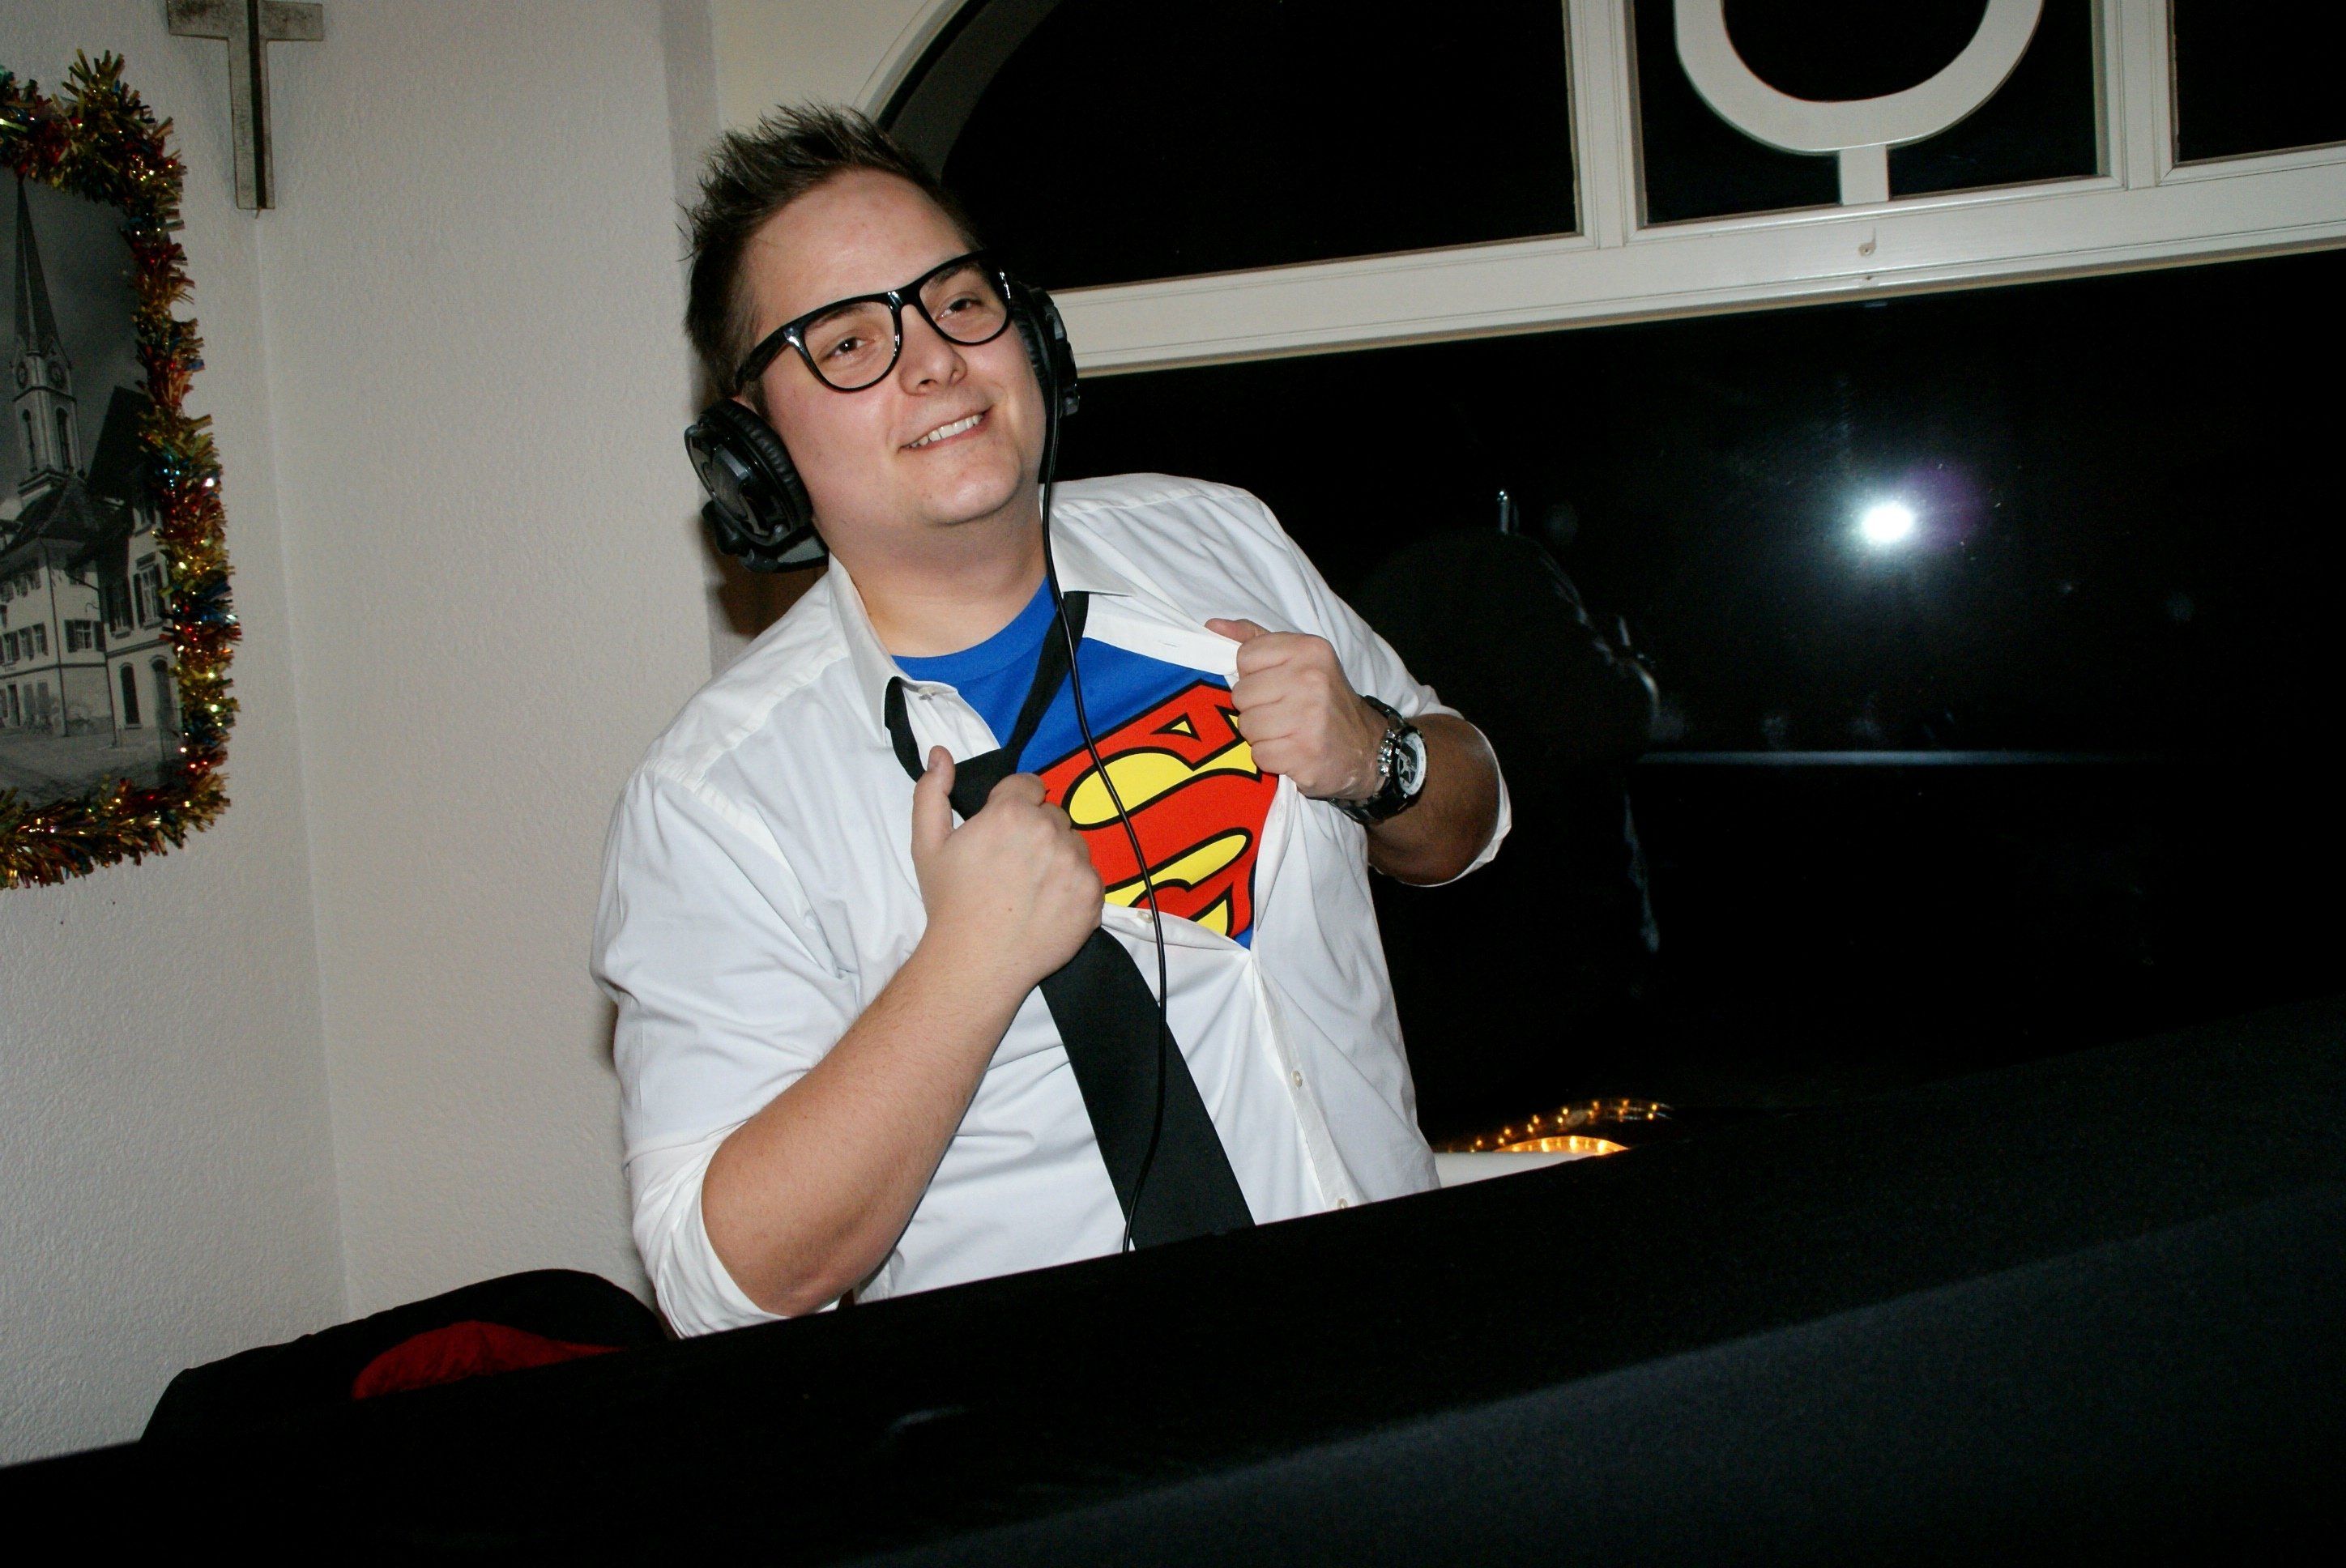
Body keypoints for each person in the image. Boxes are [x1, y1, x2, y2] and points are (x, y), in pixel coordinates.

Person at [593, 107, 1508, 1334]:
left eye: (958, 302)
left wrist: (1376, 758)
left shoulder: (1220, 536)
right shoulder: (719, 800)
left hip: (1412, 1352)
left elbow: (1470, 817)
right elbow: (720, 1280)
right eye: (849, 341)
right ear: (756, 452)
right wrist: (964, 968)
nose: (933, 360)